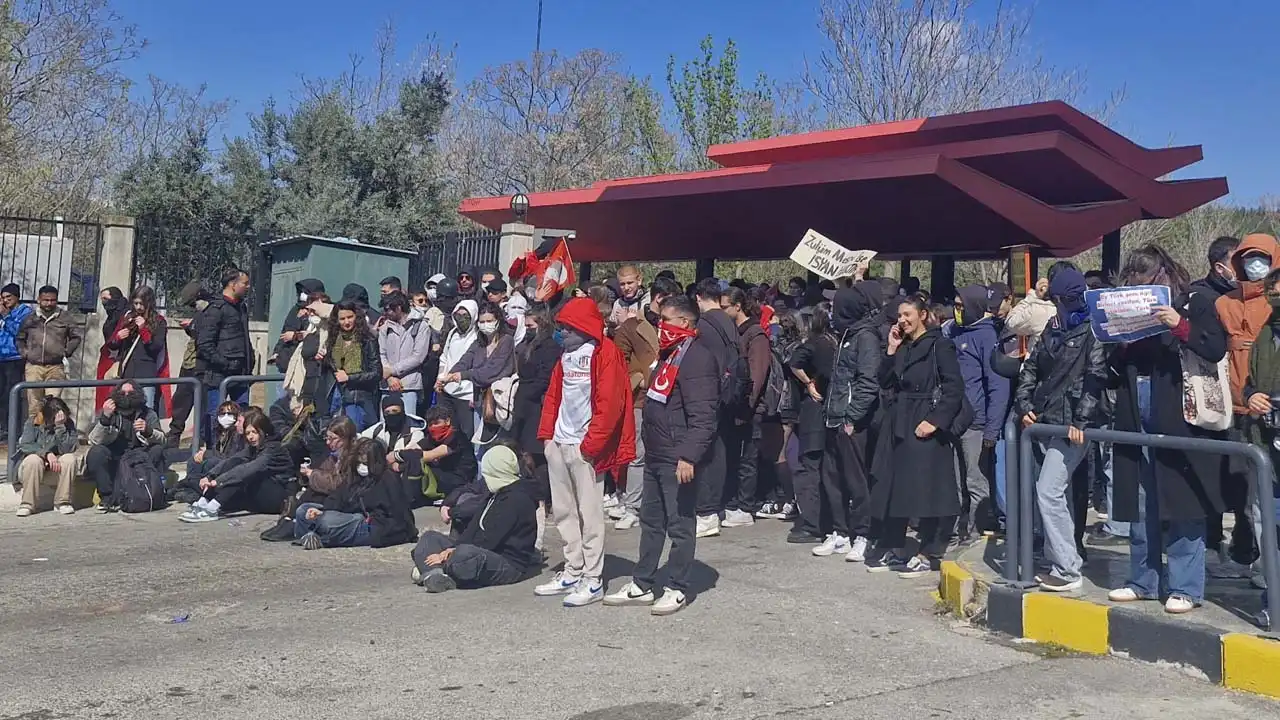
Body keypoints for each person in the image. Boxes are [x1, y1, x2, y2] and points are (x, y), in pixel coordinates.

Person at [1106, 246, 1226, 614]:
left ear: (1164, 276)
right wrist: (1121, 342)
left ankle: (1185, 586)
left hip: (1179, 410)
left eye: (1146, 280)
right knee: (1142, 499)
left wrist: (1179, 324)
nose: (1139, 286)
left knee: (1182, 497)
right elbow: (1113, 365)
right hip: (1137, 403)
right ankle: (1142, 579)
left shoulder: (1197, 302)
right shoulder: (1129, 305)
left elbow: (1216, 347)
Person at [605, 294, 719, 616]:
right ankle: (642, 582)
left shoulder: (697, 358)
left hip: (677, 456)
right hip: (657, 451)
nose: (660, 327)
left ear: (684, 323)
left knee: (680, 525)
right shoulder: (670, 353)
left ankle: (678, 587)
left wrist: (689, 455)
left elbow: (704, 415)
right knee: (651, 521)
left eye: (665, 321)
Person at [534, 297, 636, 607]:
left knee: (590, 515)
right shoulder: (564, 357)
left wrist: (591, 445)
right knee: (564, 512)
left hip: (586, 449)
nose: (560, 333)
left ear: (583, 327)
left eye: (565, 328)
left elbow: (610, 404)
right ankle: (572, 570)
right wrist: (547, 438)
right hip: (559, 444)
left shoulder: (605, 354)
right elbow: (553, 397)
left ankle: (593, 579)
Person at [1013, 268, 1108, 592]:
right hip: (1046, 418)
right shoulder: (1053, 327)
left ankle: (1067, 568)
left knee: (1048, 491)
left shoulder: (1093, 330)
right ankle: (1060, 561)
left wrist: (1081, 419)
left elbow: (1095, 378)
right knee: (1054, 493)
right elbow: (1031, 368)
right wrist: (1024, 404)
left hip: (1071, 425)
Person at [866, 294, 965, 577]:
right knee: (894, 486)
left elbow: (954, 387)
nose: (902, 320)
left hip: (924, 419)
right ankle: (895, 545)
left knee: (928, 489)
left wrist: (935, 421)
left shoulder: (939, 345)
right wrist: (891, 349)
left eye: (908, 314)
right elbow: (884, 380)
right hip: (899, 421)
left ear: (922, 315)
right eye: (900, 315)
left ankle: (930, 549)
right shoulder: (903, 346)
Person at [1214, 233, 1280, 579]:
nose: (1256, 266)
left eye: (1264, 259)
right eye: (1249, 258)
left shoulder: (1273, 306)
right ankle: (1262, 566)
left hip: (1272, 412)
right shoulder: (1224, 303)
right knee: (1251, 498)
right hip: (1240, 409)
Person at [411, 444, 540, 592]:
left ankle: (431, 570)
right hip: (481, 549)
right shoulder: (496, 492)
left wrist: (451, 553)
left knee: (464, 556)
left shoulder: (517, 498)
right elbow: (474, 528)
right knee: (429, 538)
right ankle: (435, 576)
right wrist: (452, 547)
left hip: (507, 562)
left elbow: (490, 539)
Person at [814, 283, 882, 559]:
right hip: (832, 416)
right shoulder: (844, 335)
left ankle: (862, 535)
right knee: (831, 478)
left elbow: (867, 381)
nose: (831, 312)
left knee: (856, 481)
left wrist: (853, 416)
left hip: (851, 421)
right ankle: (840, 532)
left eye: (835, 306)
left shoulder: (866, 337)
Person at [944, 284, 1009, 541]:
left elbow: (997, 386)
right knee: (955, 480)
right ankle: (957, 528)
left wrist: (991, 429)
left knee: (975, 480)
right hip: (953, 419)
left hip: (977, 422)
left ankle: (975, 530)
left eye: (961, 306)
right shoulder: (955, 332)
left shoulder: (986, 337)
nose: (957, 311)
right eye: (955, 306)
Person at [291, 436, 417, 549]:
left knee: (327, 522)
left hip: (371, 525)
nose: (361, 466)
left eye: (365, 463)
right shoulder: (354, 475)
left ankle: (320, 537)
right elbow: (338, 497)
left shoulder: (388, 478)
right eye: (359, 462)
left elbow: (398, 514)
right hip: (347, 516)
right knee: (304, 510)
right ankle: (310, 536)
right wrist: (322, 511)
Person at [180, 407, 298, 522]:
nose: (251, 437)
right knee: (236, 463)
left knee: (245, 474)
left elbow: (250, 469)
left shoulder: (274, 448)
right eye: (248, 433)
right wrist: (210, 476)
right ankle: (203, 502)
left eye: (254, 432)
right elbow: (232, 460)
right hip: (258, 495)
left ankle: (211, 509)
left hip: (278, 497)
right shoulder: (254, 448)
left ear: (264, 431)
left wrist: (219, 481)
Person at [260, 415, 358, 542]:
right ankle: (289, 520)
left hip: (345, 498)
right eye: (327, 438)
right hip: (333, 493)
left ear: (345, 438)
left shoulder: (352, 456)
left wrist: (312, 474)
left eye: (333, 439)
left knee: (316, 491)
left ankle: (292, 522)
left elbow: (337, 483)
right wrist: (308, 474)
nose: (328, 442)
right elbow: (324, 471)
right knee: (310, 489)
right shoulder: (335, 455)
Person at [719, 287, 770, 528]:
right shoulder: (736, 333)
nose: (722, 311)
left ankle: (745, 507)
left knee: (748, 458)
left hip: (751, 409)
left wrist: (747, 406)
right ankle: (735, 502)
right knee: (735, 457)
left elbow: (758, 374)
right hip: (736, 407)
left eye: (725, 307)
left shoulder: (755, 335)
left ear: (737, 306)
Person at [609, 285, 659, 531]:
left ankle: (647, 504)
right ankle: (633, 506)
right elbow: (619, 360)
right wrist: (637, 377)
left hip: (664, 399)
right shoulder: (631, 328)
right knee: (637, 454)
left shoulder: (680, 326)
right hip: (640, 397)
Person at [511, 304, 560, 544]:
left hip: (536, 406)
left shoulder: (550, 347)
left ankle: (543, 498)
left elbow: (544, 378)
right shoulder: (528, 345)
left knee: (539, 456)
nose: (528, 329)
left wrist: (525, 393)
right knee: (526, 453)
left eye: (531, 325)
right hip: (525, 405)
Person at [691, 278, 737, 538]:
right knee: (717, 449)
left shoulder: (705, 325)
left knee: (707, 452)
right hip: (726, 394)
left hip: (709, 394)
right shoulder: (727, 322)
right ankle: (711, 509)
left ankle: (706, 512)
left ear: (698, 297)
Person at [85, 382, 167, 512]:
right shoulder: (108, 411)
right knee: (96, 452)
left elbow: (163, 439)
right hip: (115, 455)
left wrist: (148, 431)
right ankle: (107, 499)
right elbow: (93, 440)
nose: (127, 396)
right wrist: (105, 419)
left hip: (139, 458)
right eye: (123, 393)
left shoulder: (148, 413)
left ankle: (154, 492)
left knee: (157, 450)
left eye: (131, 393)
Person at [443, 301, 516, 443]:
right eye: (482, 321)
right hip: (479, 401)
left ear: (498, 321)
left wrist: (463, 375)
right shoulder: (479, 342)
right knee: (478, 446)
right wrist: (450, 375)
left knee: (498, 444)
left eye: (489, 321)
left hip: (500, 401)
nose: (485, 324)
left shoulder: (506, 341)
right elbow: (465, 360)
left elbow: (492, 371)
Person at [197, 268, 253, 433]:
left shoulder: (241, 308)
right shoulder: (216, 309)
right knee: (217, 416)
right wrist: (224, 363)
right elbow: (204, 344)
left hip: (241, 373)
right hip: (219, 375)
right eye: (245, 283)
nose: (248, 287)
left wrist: (249, 362)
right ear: (232, 284)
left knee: (243, 415)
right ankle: (213, 450)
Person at [17, 285, 81, 415]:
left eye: (52, 300)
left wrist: (66, 352)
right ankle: (34, 433)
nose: (49, 303)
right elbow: (20, 338)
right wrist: (25, 352)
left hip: (55, 367)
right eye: (46, 300)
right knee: (35, 405)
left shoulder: (65, 318)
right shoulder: (30, 318)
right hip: (34, 367)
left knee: (53, 405)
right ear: (39, 300)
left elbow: (76, 337)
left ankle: (50, 433)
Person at [14, 395, 80, 516]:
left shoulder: (68, 424)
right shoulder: (33, 422)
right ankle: (27, 504)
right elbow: (25, 445)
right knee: (33, 460)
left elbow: (68, 449)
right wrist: (46, 454)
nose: (61, 418)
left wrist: (61, 428)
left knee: (69, 459)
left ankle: (62, 502)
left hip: (55, 469)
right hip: (32, 469)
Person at [105, 286, 168, 410]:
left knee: (147, 410)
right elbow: (111, 345)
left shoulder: (159, 321)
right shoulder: (128, 318)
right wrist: (118, 337)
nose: (138, 307)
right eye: (135, 303)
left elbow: (155, 348)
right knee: (124, 408)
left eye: (142, 304)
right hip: (127, 372)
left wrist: (143, 329)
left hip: (146, 374)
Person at [167, 281, 212, 446]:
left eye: (193, 303)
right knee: (181, 402)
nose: (193, 307)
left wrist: (192, 325)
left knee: (203, 406)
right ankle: (174, 435)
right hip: (189, 364)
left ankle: (200, 441)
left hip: (203, 366)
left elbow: (208, 333)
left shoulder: (212, 311)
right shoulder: (199, 312)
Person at [325, 299, 381, 430]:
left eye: (350, 317)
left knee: (354, 439)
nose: (346, 322)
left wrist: (350, 377)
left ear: (357, 317)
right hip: (337, 398)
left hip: (358, 398)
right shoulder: (334, 339)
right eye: (342, 318)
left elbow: (376, 373)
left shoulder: (368, 340)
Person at [177, 400, 246, 505]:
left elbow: (230, 456)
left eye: (230, 414)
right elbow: (216, 450)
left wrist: (207, 454)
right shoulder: (219, 431)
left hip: (228, 464)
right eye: (222, 414)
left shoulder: (237, 433)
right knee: (193, 461)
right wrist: (204, 453)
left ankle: (187, 485)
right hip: (219, 459)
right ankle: (193, 489)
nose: (226, 417)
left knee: (210, 463)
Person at [378, 291, 432, 418]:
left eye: (388, 310)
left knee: (408, 426)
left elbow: (418, 357)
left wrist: (392, 370)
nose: (385, 313)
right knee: (385, 425)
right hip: (387, 386)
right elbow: (381, 353)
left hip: (409, 386)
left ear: (398, 308)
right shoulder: (385, 327)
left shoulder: (421, 326)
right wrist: (389, 378)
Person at [437, 299, 478, 437]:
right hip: (447, 390)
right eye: (458, 316)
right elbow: (444, 357)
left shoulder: (478, 336)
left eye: (465, 316)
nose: (461, 319)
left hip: (467, 394)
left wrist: (475, 395)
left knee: (467, 434)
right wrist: (440, 378)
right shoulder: (453, 333)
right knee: (447, 433)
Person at [273, 278, 326, 375]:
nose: (302, 295)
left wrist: (295, 335)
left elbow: (315, 336)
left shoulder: (324, 312)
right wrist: (277, 353)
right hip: (286, 363)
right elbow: (285, 332)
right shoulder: (296, 310)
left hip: (305, 366)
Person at [0, 283, 31, 433]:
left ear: (16, 297)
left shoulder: (24, 312)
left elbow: (19, 332)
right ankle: (2, 427)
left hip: (15, 358)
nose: (5, 300)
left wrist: (6, 316)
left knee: (11, 394)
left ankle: (13, 430)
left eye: (8, 297)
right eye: (3, 298)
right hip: (1, 357)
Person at [94, 286, 129, 412]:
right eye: (102, 299)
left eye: (106, 299)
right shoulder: (111, 318)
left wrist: (117, 339)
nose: (103, 302)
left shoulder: (125, 316)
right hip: (108, 359)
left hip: (120, 361)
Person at [1191, 236, 1241, 302]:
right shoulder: (1200, 296)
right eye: (1237, 262)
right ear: (1219, 268)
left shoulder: (1244, 293)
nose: (1242, 267)